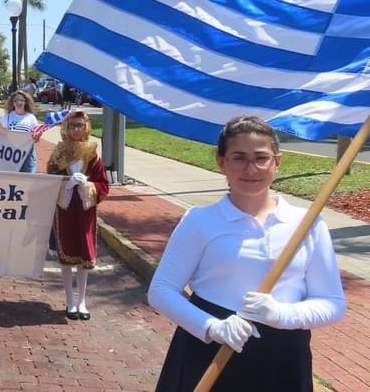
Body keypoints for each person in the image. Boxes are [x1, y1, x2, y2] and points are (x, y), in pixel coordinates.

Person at [148, 115, 345, 391]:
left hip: (282, 361)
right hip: (210, 354)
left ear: (277, 162)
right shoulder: (200, 220)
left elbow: (332, 303)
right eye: (239, 157)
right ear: (222, 162)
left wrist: (282, 315)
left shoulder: (307, 224)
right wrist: (212, 327)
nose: (251, 168)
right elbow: (161, 290)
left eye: (261, 158)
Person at [45, 110, 109, 321]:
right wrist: (67, 183)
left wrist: (88, 185)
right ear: (66, 128)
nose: (76, 129)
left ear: (86, 127)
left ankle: (82, 300)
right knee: (68, 252)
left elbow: (103, 185)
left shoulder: (93, 153)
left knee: (84, 254)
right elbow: (50, 178)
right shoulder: (60, 151)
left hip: (84, 209)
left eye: (80, 125)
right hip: (65, 209)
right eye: (72, 125)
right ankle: (69, 300)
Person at [0, 91, 41, 173]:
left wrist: (37, 135)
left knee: (26, 180)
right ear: (13, 103)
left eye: (21, 100)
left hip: (27, 157)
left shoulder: (31, 118)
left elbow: (37, 138)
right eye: (16, 100)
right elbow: (0, 134)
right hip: (10, 155)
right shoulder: (7, 117)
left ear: (25, 102)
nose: (19, 102)